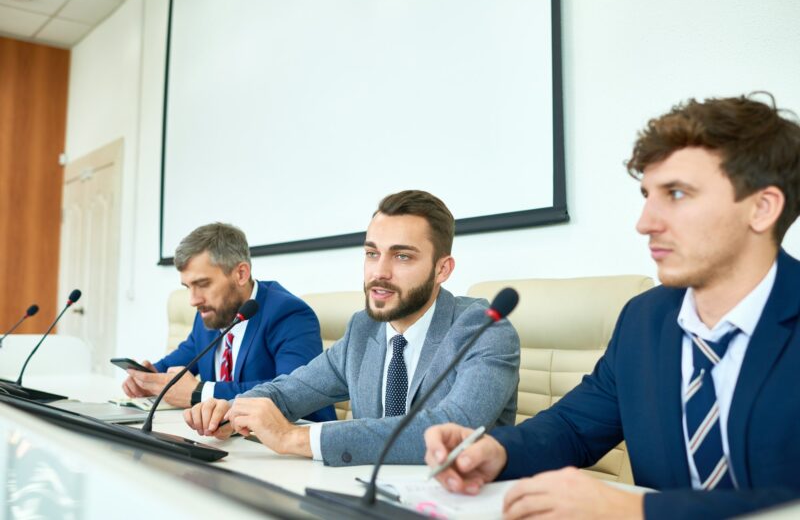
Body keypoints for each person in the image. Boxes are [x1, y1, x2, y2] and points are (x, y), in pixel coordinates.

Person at [424, 94, 800, 519]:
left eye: (676, 193)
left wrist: (638, 508)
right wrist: (495, 451)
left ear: (762, 208)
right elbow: (573, 429)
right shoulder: (645, 319)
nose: (645, 222)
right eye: (647, 194)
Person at [184, 190, 520, 466]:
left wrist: (295, 438)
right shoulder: (364, 329)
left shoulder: (484, 328)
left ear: (442, 269)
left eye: (402, 256)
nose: (380, 272)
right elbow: (289, 390)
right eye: (372, 253)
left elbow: (452, 428)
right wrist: (234, 409)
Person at [122, 222, 335, 422]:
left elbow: (294, 391)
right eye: (188, 287)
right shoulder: (211, 313)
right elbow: (177, 362)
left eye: (203, 284)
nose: (193, 300)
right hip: (229, 440)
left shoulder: (289, 314)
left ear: (241, 274)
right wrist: (147, 380)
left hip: (292, 449)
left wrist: (199, 392)